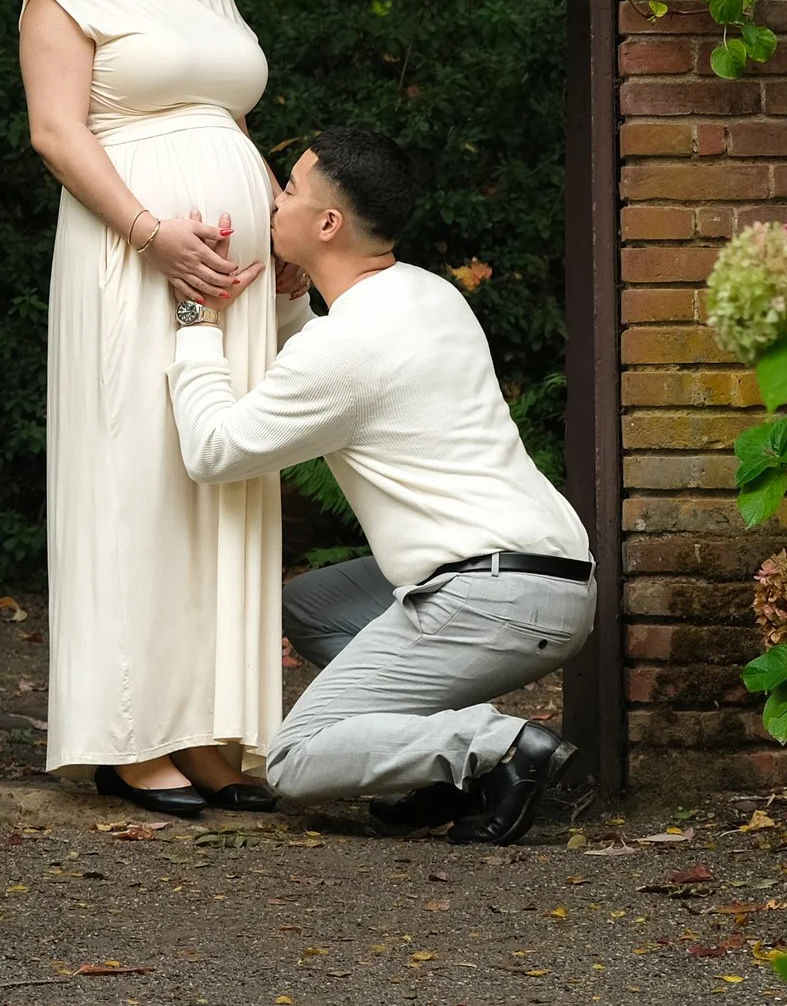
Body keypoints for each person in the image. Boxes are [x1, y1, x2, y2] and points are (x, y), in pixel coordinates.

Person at [163, 127, 596, 845]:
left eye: (292, 188)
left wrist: (193, 319)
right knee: (310, 607)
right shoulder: (427, 295)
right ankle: (432, 775)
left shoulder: (348, 347)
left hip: (487, 597)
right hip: (555, 578)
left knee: (295, 758)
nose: (276, 198)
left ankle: (498, 747)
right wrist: (291, 301)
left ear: (328, 224)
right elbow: (336, 366)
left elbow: (214, 449)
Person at [18, 0, 302, 817]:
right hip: (129, 261)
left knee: (221, 479)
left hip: (230, 274)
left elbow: (224, 124)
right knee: (136, 475)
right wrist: (153, 234)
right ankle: (129, 732)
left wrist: (286, 232)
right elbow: (57, 133)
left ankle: (210, 728)